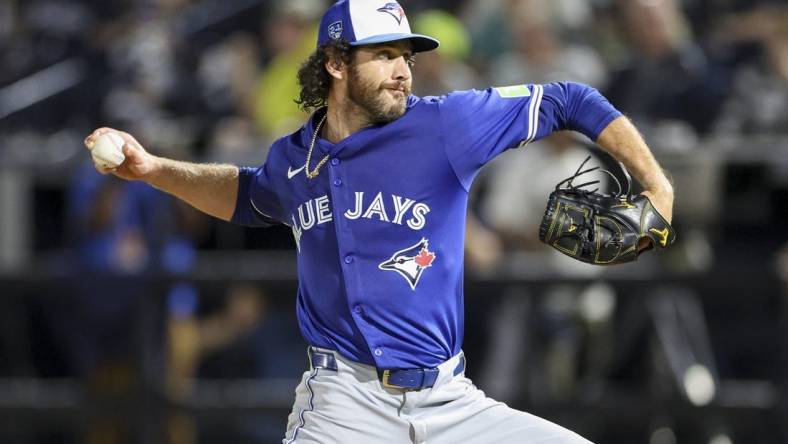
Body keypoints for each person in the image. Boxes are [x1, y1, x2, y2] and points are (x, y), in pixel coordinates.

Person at [83, 1, 674, 442]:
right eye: (385, 55)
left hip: (450, 402)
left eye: (406, 56)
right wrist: (154, 169)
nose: (403, 70)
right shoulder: (295, 158)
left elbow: (571, 98)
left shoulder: (446, 125)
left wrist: (657, 184)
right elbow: (246, 195)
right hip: (342, 404)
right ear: (336, 63)